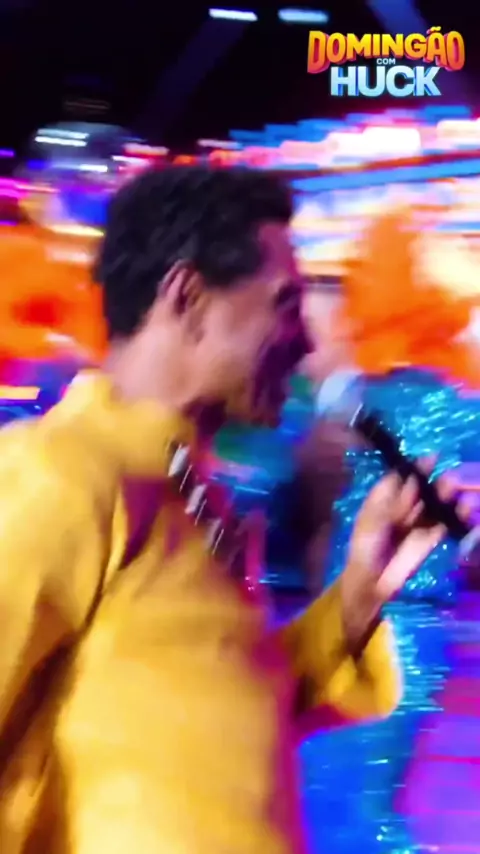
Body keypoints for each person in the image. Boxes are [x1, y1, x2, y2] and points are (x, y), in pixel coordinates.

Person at [0, 167, 461, 854]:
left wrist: (361, 591)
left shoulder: (192, 489)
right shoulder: (59, 472)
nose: (307, 342)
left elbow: (230, 712)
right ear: (187, 297)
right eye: (285, 304)